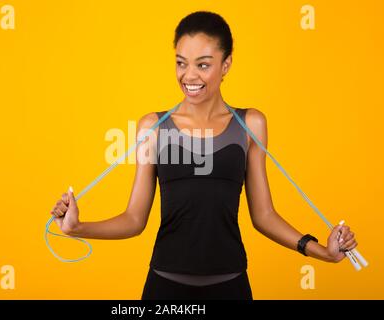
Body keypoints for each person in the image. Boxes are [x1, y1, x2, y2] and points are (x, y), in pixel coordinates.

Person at [50, 11, 358, 300]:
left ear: (226, 65)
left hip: (231, 285)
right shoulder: (152, 127)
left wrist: (323, 252)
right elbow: (134, 218)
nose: (189, 75)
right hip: (164, 288)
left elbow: (263, 216)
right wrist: (78, 227)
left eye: (203, 64)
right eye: (181, 63)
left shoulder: (251, 124)